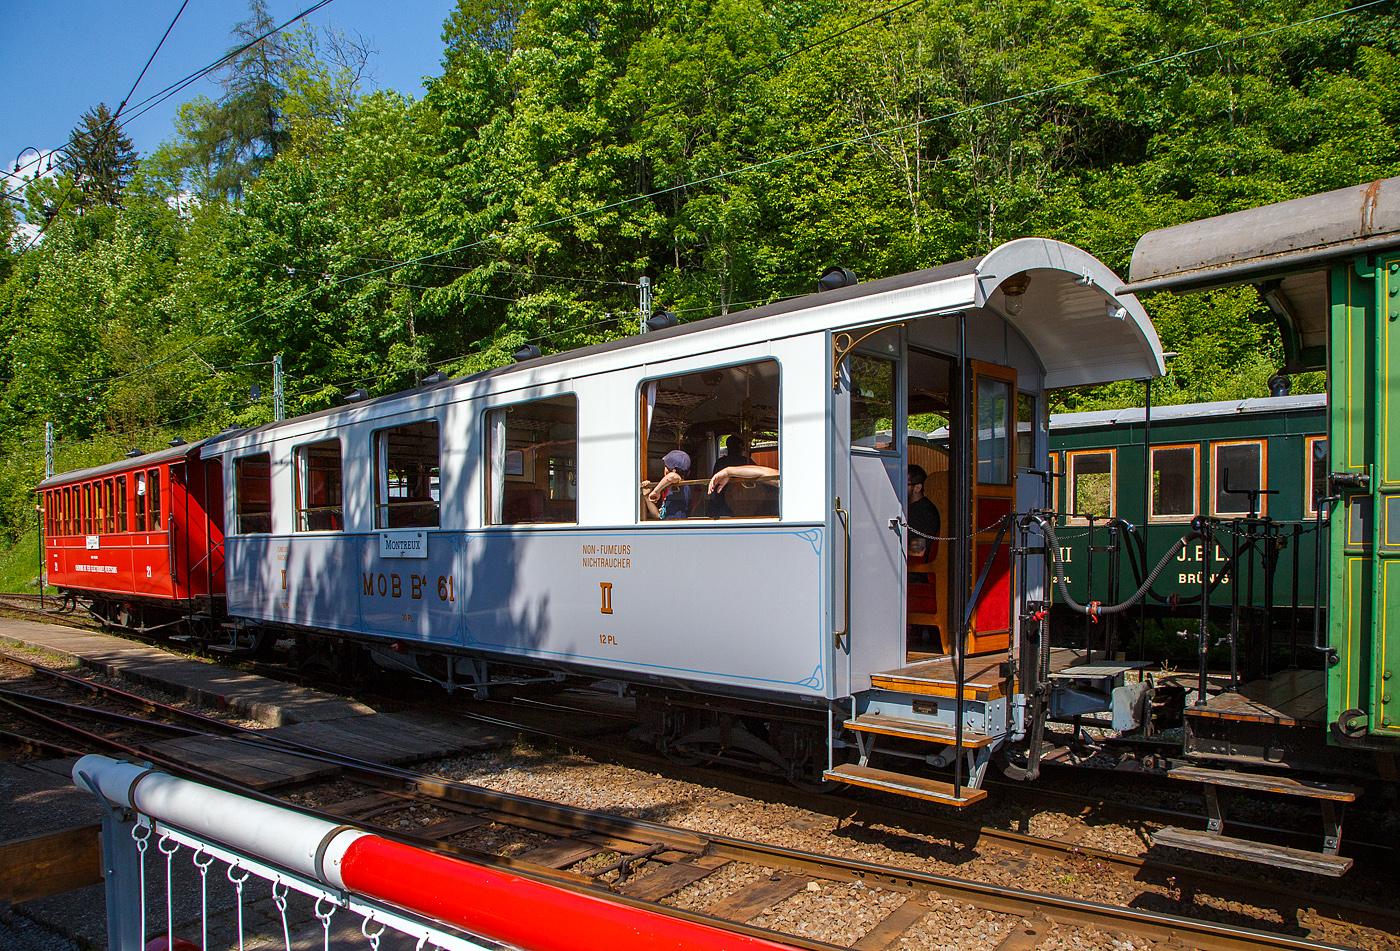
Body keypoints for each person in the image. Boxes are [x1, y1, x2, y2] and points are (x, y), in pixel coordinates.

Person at [708, 435, 752, 518]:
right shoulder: (747, 461)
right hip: (743, 502)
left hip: (720, 502)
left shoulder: (720, 462)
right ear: (741, 448)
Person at [644, 449, 693, 519]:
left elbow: (673, 476)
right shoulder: (672, 488)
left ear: (666, 470)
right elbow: (658, 515)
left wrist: (656, 491)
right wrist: (647, 495)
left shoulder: (680, 484)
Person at [906, 464, 941, 560]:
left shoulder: (918, 511)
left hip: (916, 571)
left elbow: (917, 553)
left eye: (905, 484)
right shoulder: (924, 506)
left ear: (917, 488)